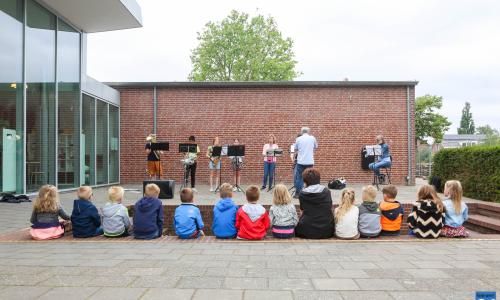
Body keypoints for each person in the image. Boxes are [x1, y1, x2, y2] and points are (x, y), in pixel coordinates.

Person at [295, 168, 334, 239]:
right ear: (318, 179)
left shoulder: (302, 194)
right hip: (327, 231)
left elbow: (302, 211)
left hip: (306, 231)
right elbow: (329, 208)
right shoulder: (327, 191)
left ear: (305, 181)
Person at [293, 127, 318, 197]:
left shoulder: (298, 139)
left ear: (301, 132)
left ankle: (298, 194)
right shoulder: (312, 138)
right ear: (308, 131)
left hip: (300, 162)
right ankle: (310, 193)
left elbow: (295, 149)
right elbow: (316, 146)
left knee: (299, 178)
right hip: (309, 161)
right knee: (310, 177)